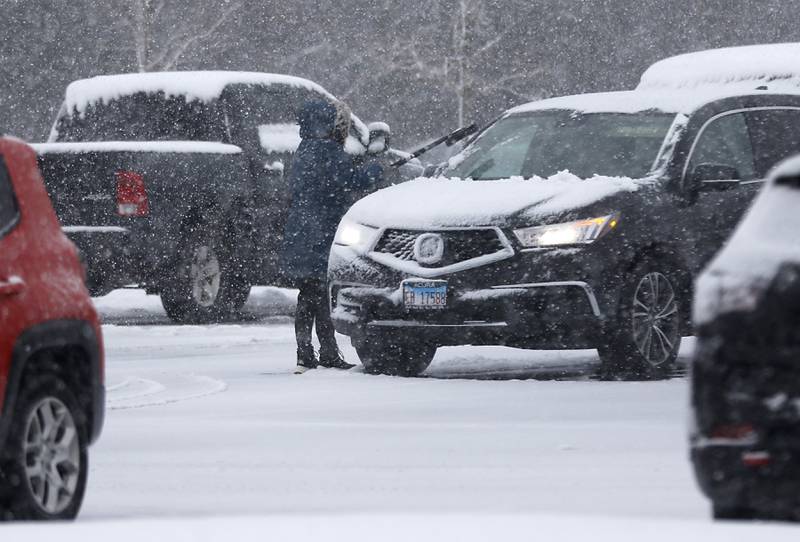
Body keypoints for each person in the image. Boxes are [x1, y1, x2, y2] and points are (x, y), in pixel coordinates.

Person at [282, 100, 368, 373]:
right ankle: (321, 353)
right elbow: (348, 181)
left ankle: (308, 352)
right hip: (321, 233)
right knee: (319, 294)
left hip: (301, 231)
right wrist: (374, 171)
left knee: (310, 294)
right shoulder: (328, 151)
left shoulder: (304, 150)